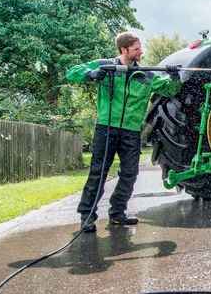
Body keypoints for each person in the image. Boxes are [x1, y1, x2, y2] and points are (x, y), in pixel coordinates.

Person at [67, 31, 181, 232]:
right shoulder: (105, 66)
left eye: (140, 47)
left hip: (131, 132)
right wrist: (90, 74)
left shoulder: (146, 75)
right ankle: (87, 217)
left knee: (129, 173)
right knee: (98, 173)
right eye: (136, 48)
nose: (141, 52)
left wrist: (174, 76)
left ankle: (117, 213)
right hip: (106, 128)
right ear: (123, 50)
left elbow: (169, 90)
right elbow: (71, 72)